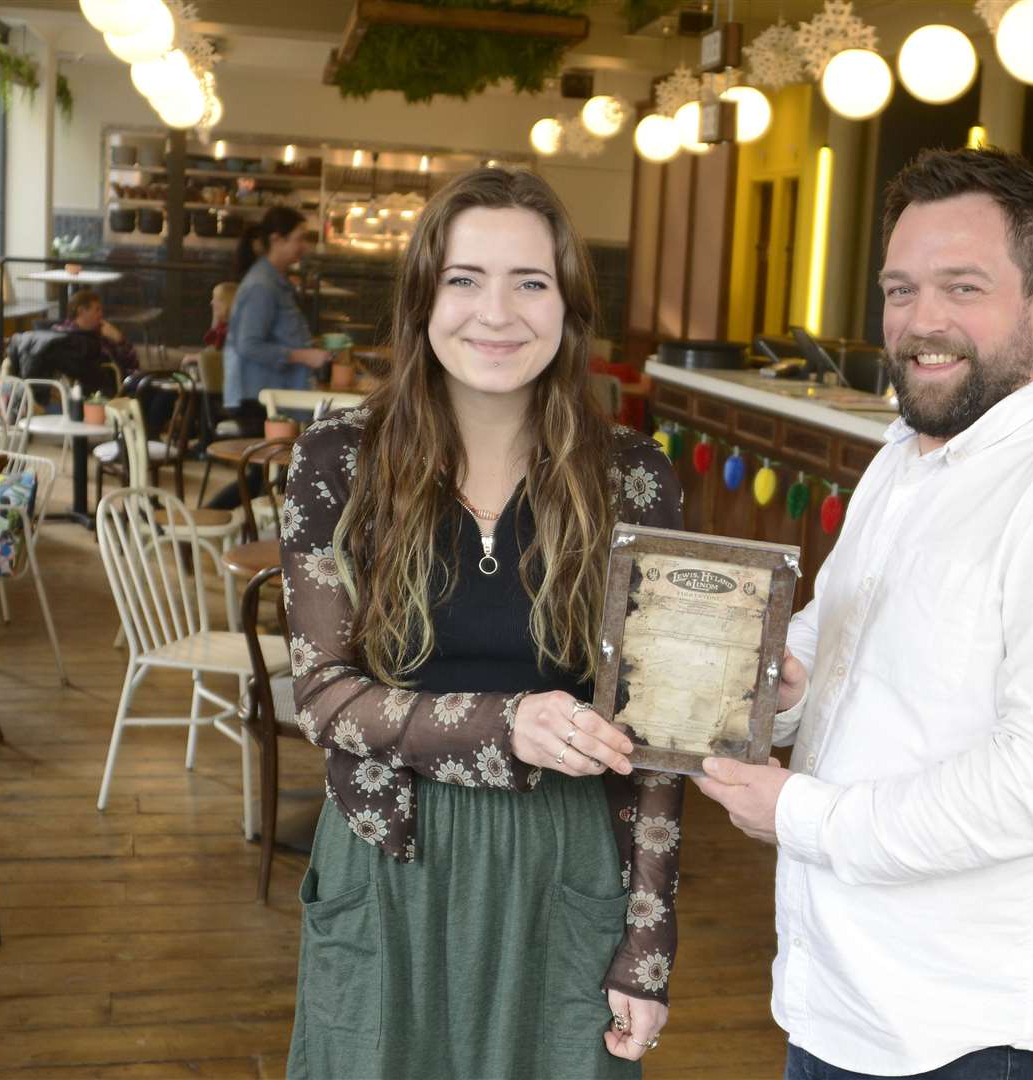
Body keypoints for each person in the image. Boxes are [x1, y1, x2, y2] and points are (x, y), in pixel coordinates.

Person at [694, 148, 1033, 1080]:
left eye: (963, 287)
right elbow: (828, 639)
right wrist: (780, 684)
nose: (922, 321)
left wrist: (805, 815)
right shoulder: (905, 457)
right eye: (900, 288)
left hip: (965, 1030)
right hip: (839, 991)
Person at [281, 167, 686, 1078]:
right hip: (388, 852)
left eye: (529, 282)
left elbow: (658, 733)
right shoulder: (335, 461)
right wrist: (509, 723)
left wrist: (649, 944)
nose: (495, 313)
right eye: (464, 279)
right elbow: (324, 697)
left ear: (568, 305)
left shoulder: (636, 478)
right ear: (424, 298)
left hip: (568, 860)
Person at [211, 208, 330, 508]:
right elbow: (249, 345)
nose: (304, 246)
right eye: (299, 238)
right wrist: (303, 355)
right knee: (261, 475)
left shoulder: (273, 280)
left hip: (262, 391)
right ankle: (203, 522)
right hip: (255, 395)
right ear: (276, 240)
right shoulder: (262, 286)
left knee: (264, 475)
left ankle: (246, 533)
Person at [54, 289, 137, 375]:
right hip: (103, 383)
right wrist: (120, 341)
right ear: (81, 311)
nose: (101, 314)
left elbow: (131, 364)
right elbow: (130, 365)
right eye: (97, 310)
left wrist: (119, 341)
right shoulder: (79, 338)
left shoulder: (58, 333)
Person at [204, 281, 237, 349]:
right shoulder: (223, 324)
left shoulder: (234, 329)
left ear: (227, 302)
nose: (211, 303)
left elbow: (215, 351)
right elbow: (209, 344)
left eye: (216, 299)